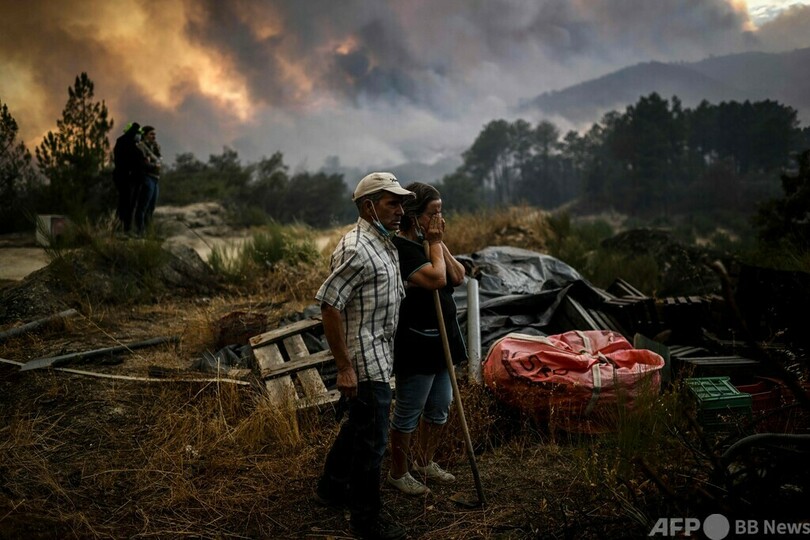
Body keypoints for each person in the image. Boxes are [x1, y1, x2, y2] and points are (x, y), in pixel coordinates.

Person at [314, 172, 414, 540]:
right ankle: (366, 520)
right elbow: (329, 304)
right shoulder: (357, 247)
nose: (401, 210)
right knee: (373, 442)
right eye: (393, 203)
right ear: (369, 206)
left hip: (381, 354)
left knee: (359, 425)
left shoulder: (384, 242)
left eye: (401, 203)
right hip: (364, 359)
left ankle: (331, 487)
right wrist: (344, 367)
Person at [387, 182, 467, 496]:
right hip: (417, 342)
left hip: (442, 341)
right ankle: (398, 471)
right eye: (433, 213)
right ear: (413, 215)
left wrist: (437, 241)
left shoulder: (428, 243)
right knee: (409, 410)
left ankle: (424, 461)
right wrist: (432, 241)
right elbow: (437, 278)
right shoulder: (400, 250)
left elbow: (457, 275)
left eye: (441, 212)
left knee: (440, 407)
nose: (440, 219)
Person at [112, 122, 144, 234]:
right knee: (125, 204)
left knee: (131, 205)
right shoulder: (123, 142)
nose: (139, 136)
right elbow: (122, 161)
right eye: (138, 133)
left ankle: (127, 228)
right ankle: (122, 229)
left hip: (135, 180)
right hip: (126, 179)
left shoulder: (134, 145)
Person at [134, 125, 162, 236]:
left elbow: (159, 160)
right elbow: (145, 163)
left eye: (154, 134)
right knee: (143, 206)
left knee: (151, 207)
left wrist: (154, 163)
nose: (154, 136)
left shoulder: (155, 147)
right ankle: (140, 231)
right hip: (147, 178)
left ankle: (149, 233)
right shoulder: (141, 146)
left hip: (155, 179)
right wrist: (154, 164)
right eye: (151, 134)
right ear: (145, 135)